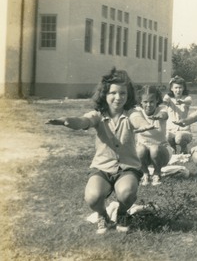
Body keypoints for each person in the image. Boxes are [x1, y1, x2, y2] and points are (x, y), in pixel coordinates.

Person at [46, 68, 154, 234]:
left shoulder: (132, 112)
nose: (118, 98)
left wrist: (144, 125)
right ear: (105, 94)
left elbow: (137, 120)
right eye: (113, 93)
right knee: (92, 197)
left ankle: (122, 213)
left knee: (126, 193)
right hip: (102, 168)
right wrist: (67, 121)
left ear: (129, 95)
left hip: (127, 168)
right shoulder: (97, 115)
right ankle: (103, 215)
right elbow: (83, 121)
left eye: (123, 93)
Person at [135, 85, 172, 186]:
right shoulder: (137, 112)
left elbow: (165, 115)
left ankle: (157, 173)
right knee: (139, 150)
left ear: (157, 101)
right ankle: (145, 173)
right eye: (145, 102)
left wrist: (159, 116)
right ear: (141, 102)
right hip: (144, 152)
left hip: (162, 151)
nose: (149, 105)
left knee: (155, 149)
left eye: (152, 101)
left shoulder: (161, 109)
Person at [163, 76, 193, 154]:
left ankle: (184, 148)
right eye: (176, 88)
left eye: (180, 88)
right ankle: (173, 149)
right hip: (170, 128)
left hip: (184, 129)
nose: (178, 90)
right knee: (166, 136)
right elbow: (165, 100)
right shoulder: (169, 98)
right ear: (171, 89)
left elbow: (188, 101)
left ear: (183, 88)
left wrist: (182, 102)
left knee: (179, 138)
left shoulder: (187, 98)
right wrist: (166, 101)